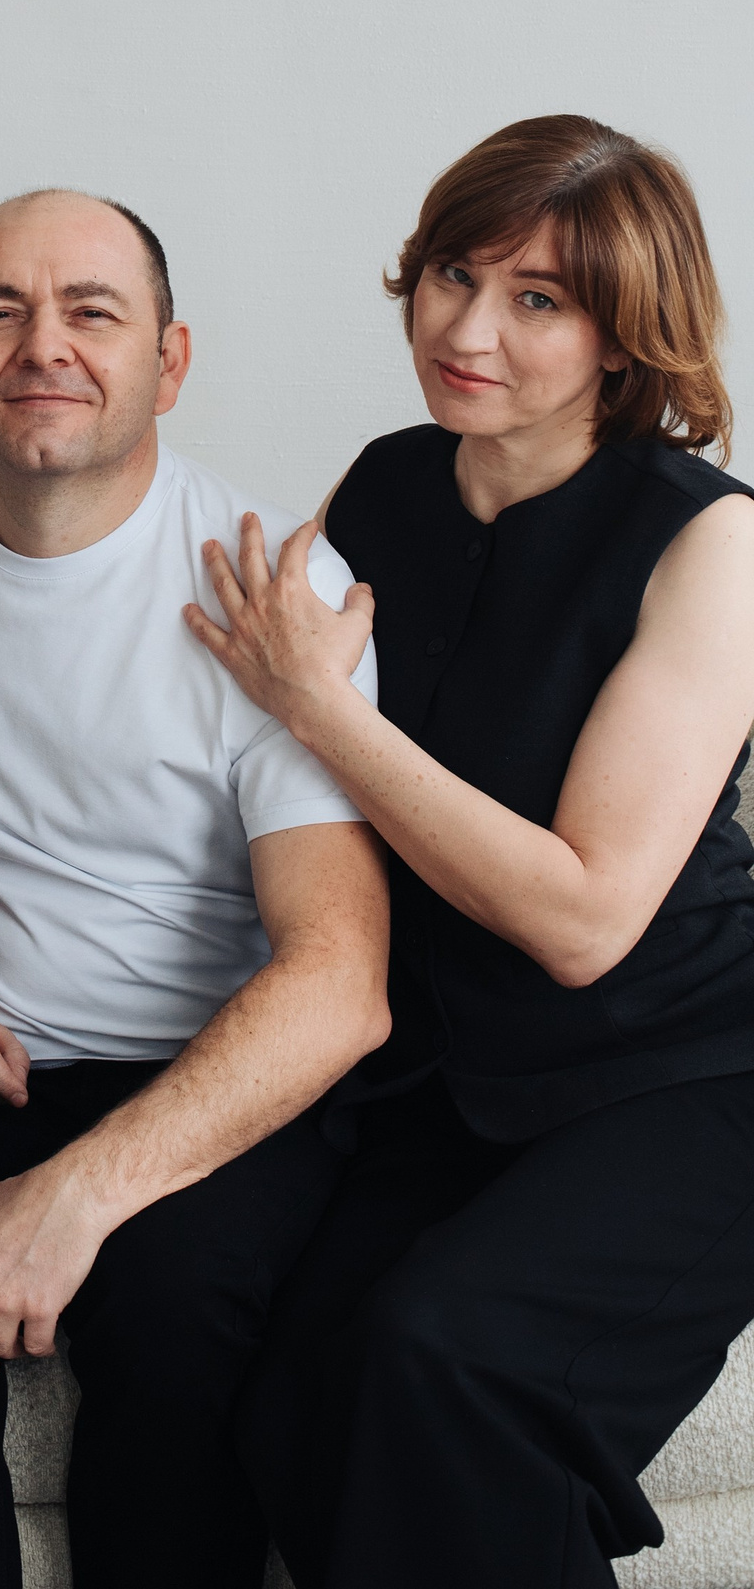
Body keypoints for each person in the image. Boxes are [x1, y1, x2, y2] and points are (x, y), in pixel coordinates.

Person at [185, 115, 754, 1589]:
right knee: (290, 1397)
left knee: (440, 1361)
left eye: (537, 298)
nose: (466, 330)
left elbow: (585, 919)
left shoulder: (711, 542)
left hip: (682, 1071)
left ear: (625, 337)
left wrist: (323, 706)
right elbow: (199, 672)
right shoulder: (386, 487)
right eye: (454, 274)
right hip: (448, 1075)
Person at [0, 188, 392, 1589]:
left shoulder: (273, 590)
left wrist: (75, 1197)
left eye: (92, 312)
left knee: (176, 1305)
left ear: (169, 362)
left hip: (217, 1075)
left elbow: (338, 979)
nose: (42, 345)